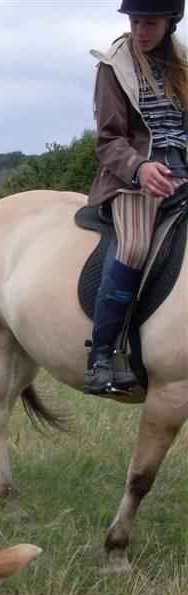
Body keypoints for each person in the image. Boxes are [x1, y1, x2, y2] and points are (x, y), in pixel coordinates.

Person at [83, 0, 188, 395]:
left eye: (150, 23)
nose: (141, 30)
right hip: (131, 180)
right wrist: (140, 169)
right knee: (134, 245)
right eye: (135, 21)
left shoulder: (183, 64)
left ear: (170, 22)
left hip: (181, 173)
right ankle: (102, 357)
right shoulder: (114, 67)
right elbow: (108, 141)